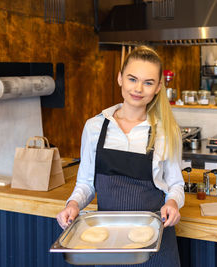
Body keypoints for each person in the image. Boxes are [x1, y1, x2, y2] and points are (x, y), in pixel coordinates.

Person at [57, 46, 185, 266]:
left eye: (148, 82)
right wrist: (73, 204)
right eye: (132, 79)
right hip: (109, 241)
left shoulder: (167, 131)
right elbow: (86, 183)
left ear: (158, 87)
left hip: (157, 241)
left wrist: (172, 203)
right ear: (120, 78)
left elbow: (175, 183)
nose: (138, 88)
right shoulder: (95, 127)